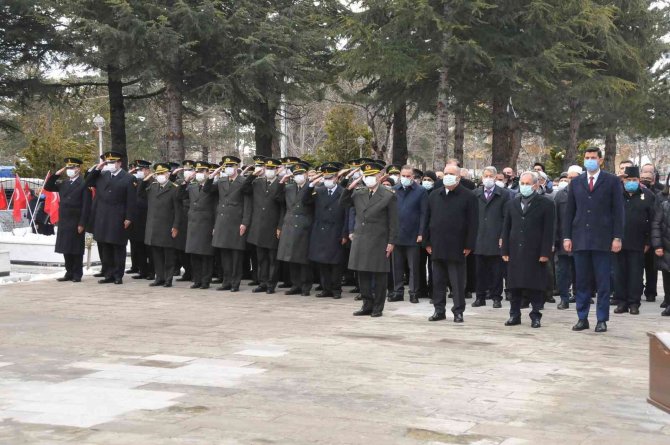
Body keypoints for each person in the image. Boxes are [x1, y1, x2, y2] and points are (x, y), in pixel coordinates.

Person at [564, 147, 625, 333]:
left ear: (600, 160)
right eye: (587, 157)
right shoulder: (576, 183)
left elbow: (618, 211)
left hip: (602, 239)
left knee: (603, 282)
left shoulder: (612, 181)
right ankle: (582, 317)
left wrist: (617, 237)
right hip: (580, 238)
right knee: (581, 281)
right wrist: (567, 236)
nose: (589, 160)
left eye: (593, 157)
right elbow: (569, 212)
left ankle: (601, 319)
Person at [340, 161, 398, 317]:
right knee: (363, 274)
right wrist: (350, 186)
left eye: (372, 175)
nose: (369, 178)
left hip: (379, 239)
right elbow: (343, 203)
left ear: (379, 176)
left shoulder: (388, 194)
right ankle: (367, 304)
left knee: (379, 275)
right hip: (361, 238)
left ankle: (378, 307)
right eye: (366, 176)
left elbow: (394, 221)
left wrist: (391, 242)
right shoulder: (359, 192)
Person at [501, 171, 555, 328]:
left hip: (535, 251)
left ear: (536, 185)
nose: (524, 187)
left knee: (535, 285)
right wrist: (504, 250)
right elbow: (506, 228)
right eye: (522, 183)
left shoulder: (546, 204)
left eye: (527, 183)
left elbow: (548, 230)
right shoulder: (512, 204)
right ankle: (514, 314)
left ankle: (536, 315)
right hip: (515, 250)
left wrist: (545, 252)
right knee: (514, 285)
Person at [425, 164, 478, 323]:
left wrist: (469, 245)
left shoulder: (469, 196)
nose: (447, 176)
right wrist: (427, 242)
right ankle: (439, 310)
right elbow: (427, 220)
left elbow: (473, 223)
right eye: (445, 173)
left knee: (457, 282)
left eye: (451, 173)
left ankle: (458, 311)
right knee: (438, 281)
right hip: (437, 244)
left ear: (459, 177)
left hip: (458, 246)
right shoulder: (434, 195)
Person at [85, 151, 136, 285]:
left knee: (118, 247)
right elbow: (88, 182)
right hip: (103, 216)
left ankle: (118, 275)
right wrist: (97, 169)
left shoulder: (128, 178)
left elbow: (131, 201)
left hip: (118, 216)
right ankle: (108, 274)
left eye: (113, 162)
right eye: (108, 162)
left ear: (119, 163)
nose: (110, 165)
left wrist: (129, 218)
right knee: (105, 246)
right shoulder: (102, 175)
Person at [205, 156, 251, 292]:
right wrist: (211, 176)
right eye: (226, 166)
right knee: (224, 254)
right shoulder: (221, 181)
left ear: (237, 167)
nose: (229, 169)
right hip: (222, 222)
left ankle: (235, 283)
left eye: (231, 166)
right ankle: (226, 281)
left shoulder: (243, 182)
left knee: (236, 255)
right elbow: (207, 190)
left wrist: (245, 223)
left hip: (237, 222)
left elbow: (248, 205)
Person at [303, 162, 349, 299]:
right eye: (326, 178)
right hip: (320, 231)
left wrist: (344, 233)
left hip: (336, 231)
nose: (328, 180)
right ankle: (326, 289)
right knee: (322, 262)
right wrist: (311, 184)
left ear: (336, 178)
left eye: (330, 178)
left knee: (335, 263)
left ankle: (336, 290)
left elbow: (347, 214)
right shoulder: (319, 190)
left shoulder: (343, 192)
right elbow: (305, 201)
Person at [613, 166, 655, 315]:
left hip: (638, 242)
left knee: (635, 274)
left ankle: (634, 303)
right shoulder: (616, 194)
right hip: (618, 241)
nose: (631, 182)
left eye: (634, 180)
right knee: (619, 273)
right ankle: (621, 302)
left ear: (639, 180)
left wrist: (648, 241)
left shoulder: (648, 195)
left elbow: (653, 220)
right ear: (623, 181)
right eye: (628, 180)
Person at [43, 157, 92, 283]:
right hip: (64, 220)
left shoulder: (83, 183)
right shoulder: (64, 183)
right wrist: (56, 174)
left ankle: (77, 274)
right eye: (68, 168)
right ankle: (68, 272)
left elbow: (86, 206)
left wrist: (82, 223)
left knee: (76, 249)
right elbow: (48, 187)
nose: (70, 170)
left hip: (76, 220)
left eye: (73, 167)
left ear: (78, 169)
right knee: (66, 248)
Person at [243, 158, 286, 294]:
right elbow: (244, 188)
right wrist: (253, 174)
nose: (269, 171)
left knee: (273, 258)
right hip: (259, 227)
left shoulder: (281, 185)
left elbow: (282, 207)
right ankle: (262, 282)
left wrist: (280, 226)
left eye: (272, 169)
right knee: (261, 258)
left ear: (277, 170)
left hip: (272, 227)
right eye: (267, 169)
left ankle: (271, 284)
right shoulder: (257, 182)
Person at [138, 163, 182, 288]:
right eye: (158, 174)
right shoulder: (152, 187)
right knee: (156, 255)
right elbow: (140, 193)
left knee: (168, 255)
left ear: (168, 174)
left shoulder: (174, 188)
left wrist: (176, 226)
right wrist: (145, 179)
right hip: (154, 226)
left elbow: (178, 210)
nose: (160, 176)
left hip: (167, 226)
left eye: (162, 173)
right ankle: (159, 277)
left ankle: (168, 279)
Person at [472, 166, 511, 308]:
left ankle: (496, 297)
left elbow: (507, 217)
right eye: (485, 176)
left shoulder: (504, 194)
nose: (488, 178)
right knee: (479, 271)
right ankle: (480, 297)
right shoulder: (475, 193)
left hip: (496, 237)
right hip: (479, 238)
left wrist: (503, 236)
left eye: (491, 176)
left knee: (496, 271)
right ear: (482, 177)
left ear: (495, 178)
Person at [389, 165, 428, 304]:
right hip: (397, 234)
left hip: (413, 234)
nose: (405, 178)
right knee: (397, 266)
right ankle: (398, 291)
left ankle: (414, 292)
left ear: (413, 177)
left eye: (408, 176)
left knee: (414, 267)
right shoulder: (394, 190)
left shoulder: (421, 191)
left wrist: (421, 232)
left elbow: (424, 214)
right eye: (403, 176)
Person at [178, 161, 217, 290]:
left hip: (206, 223)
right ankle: (197, 280)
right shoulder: (192, 186)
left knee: (205, 254)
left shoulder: (213, 186)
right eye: (198, 171)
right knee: (194, 254)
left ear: (208, 172)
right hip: (193, 224)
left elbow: (214, 202)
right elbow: (180, 196)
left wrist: (214, 226)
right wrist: (186, 181)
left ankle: (205, 281)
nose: (199, 174)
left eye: (202, 171)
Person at [277, 162, 314, 296]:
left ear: (306, 174)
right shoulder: (289, 187)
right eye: (296, 174)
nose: (299, 176)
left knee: (303, 258)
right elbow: (278, 199)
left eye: (301, 173)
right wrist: (282, 181)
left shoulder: (312, 187)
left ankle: (305, 286)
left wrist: (311, 186)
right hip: (290, 223)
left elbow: (309, 202)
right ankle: (295, 284)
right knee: (291, 257)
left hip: (304, 224)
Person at [554, 166, 582, 309]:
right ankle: (564, 298)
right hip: (563, 240)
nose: (571, 180)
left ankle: (579, 296)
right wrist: (555, 239)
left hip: (580, 240)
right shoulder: (560, 195)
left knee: (580, 270)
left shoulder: (585, 193)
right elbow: (555, 219)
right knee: (563, 271)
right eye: (569, 178)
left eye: (574, 177)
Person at [128, 160, 154, 280]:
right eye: (138, 170)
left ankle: (151, 271)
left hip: (147, 218)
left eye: (141, 170)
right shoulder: (137, 181)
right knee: (139, 246)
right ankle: (142, 270)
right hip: (137, 219)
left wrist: (144, 181)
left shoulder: (152, 182)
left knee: (149, 248)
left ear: (148, 170)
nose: (139, 172)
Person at [640, 164, 661, 302]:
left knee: (651, 267)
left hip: (653, 234)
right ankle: (637, 288)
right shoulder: (637, 191)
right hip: (639, 234)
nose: (646, 179)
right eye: (644, 176)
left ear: (653, 177)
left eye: (649, 176)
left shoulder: (659, 192)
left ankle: (651, 291)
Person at [651, 174, 670, 316]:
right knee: (667, 276)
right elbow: (656, 224)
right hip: (666, 245)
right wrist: (657, 245)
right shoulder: (664, 205)